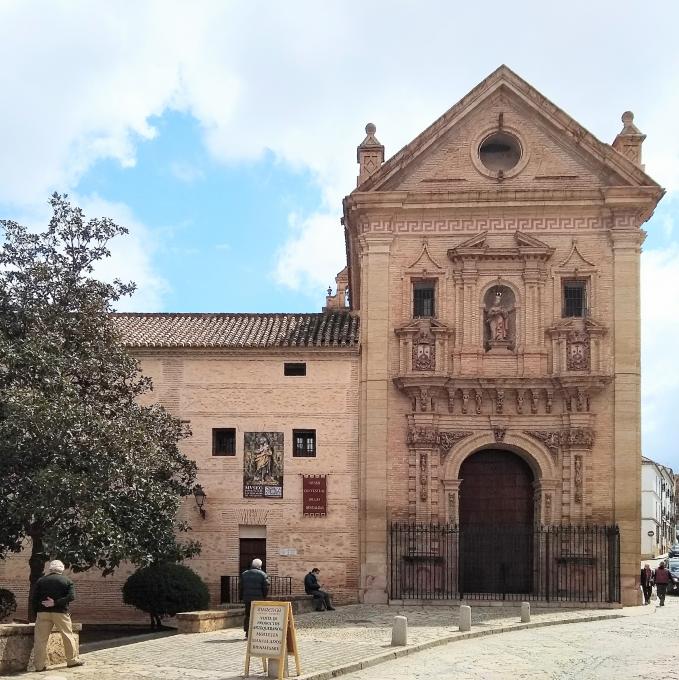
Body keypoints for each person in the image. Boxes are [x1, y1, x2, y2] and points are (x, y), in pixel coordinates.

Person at [32, 560, 84, 672]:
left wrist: (37, 611)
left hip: (43, 612)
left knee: (40, 640)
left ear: (50, 569)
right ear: (62, 569)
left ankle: (39, 666)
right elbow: (71, 597)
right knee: (67, 636)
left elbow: (34, 598)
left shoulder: (41, 580)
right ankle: (72, 661)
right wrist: (56, 602)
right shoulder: (67, 581)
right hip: (61, 613)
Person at [240, 558, 269, 638]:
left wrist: (241, 597)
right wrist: (264, 596)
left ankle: (247, 633)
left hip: (247, 598)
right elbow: (266, 588)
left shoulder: (244, 574)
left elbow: (241, 587)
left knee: (248, 615)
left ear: (252, 565)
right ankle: (257, 633)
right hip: (258, 599)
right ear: (260, 566)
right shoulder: (263, 574)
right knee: (258, 616)